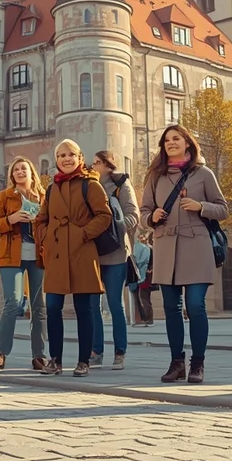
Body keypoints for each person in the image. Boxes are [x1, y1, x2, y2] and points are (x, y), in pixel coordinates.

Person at [141, 125, 228, 385]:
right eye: (166, 140)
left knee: (196, 305)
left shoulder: (203, 173)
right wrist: (151, 216)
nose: (170, 143)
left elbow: (223, 209)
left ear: (187, 143)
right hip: (166, 245)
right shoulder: (155, 176)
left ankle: (197, 363)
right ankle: (176, 362)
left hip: (196, 245)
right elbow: (145, 210)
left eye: (176, 138)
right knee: (170, 308)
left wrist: (202, 207)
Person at [34, 139, 112, 377]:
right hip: (57, 253)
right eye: (61, 156)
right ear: (56, 161)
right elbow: (41, 218)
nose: (66, 159)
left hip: (82, 251)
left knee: (84, 308)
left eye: (71, 154)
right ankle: (55, 359)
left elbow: (104, 215)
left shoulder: (91, 185)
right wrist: (46, 236)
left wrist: (82, 233)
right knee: (54, 307)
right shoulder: (51, 187)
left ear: (80, 158)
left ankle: (83, 360)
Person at [0, 158, 48, 372]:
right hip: (10, 255)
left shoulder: (43, 196)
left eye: (24, 168)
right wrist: (11, 219)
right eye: (16, 170)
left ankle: (39, 356)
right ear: (12, 175)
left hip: (38, 256)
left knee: (39, 306)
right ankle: (0, 354)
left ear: (32, 173)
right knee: (12, 303)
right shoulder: (4, 196)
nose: (20, 172)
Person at [88, 151, 140, 370]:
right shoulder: (88, 186)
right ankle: (95, 350)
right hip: (92, 252)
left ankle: (120, 352)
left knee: (115, 304)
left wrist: (115, 227)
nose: (93, 165)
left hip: (117, 251)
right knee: (92, 305)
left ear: (109, 165)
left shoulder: (121, 185)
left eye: (97, 162)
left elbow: (133, 215)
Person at [130, 230, 154, 326]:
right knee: (141, 298)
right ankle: (143, 317)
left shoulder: (146, 248)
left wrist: (149, 268)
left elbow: (143, 261)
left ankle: (148, 318)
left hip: (145, 276)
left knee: (144, 298)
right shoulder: (146, 248)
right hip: (142, 275)